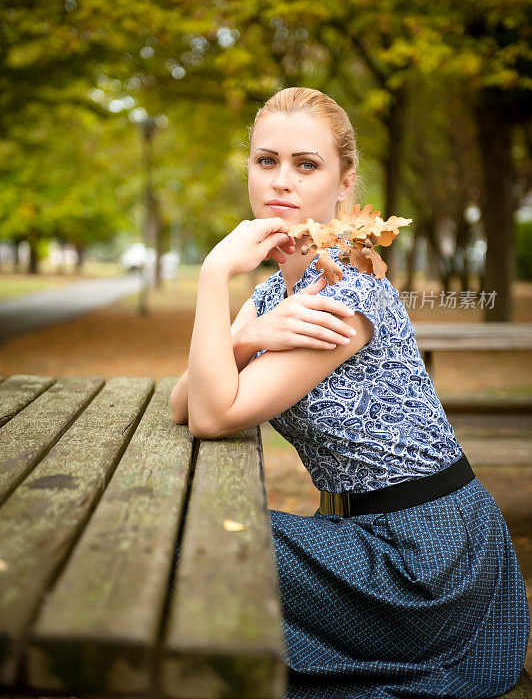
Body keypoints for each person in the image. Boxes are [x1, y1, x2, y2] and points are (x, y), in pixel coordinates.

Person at [170, 87, 530, 698]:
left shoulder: (345, 293)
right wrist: (243, 336)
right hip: (357, 538)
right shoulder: (275, 294)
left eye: (306, 165)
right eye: (266, 161)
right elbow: (186, 399)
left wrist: (213, 273)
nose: (281, 181)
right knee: (184, 536)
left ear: (343, 183)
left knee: (197, 540)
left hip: (424, 559)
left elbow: (209, 414)